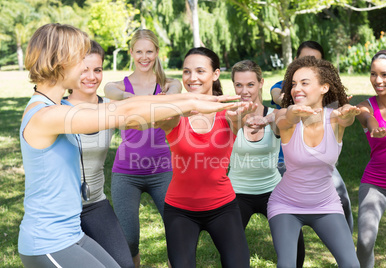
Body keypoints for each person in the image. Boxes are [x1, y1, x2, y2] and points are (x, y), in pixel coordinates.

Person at [18, 23, 241, 268]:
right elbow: (125, 110)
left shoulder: (59, 108)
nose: (85, 66)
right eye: (79, 58)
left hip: (71, 235)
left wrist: (195, 98)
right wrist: (191, 103)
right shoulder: (45, 116)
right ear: (61, 61)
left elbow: (142, 103)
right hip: (49, 242)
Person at [157, 47, 255, 268]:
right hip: (180, 209)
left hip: (223, 206)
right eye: (186, 71)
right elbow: (158, 121)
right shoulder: (175, 113)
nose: (192, 78)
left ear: (216, 74)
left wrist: (239, 118)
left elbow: (237, 122)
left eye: (200, 71)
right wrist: (164, 109)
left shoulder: (228, 111)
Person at [267, 56, 360, 267]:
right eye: (293, 84)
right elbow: (287, 116)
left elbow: (347, 119)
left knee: (351, 265)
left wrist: (348, 114)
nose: (295, 89)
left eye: (304, 83)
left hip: (326, 204)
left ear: (324, 87)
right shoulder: (285, 119)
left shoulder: (335, 118)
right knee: (286, 265)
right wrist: (292, 112)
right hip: (286, 205)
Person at [104, 29, 181, 267]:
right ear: (131, 53)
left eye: (149, 51)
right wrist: (128, 96)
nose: (144, 57)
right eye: (139, 51)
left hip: (163, 169)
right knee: (128, 240)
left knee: (177, 234)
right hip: (127, 172)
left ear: (157, 53)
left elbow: (173, 100)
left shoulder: (171, 85)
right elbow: (112, 92)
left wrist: (135, 101)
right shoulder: (116, 87)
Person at [228, 59, 306, 267]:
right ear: (233, 85)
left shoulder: (274, 115)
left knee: (296, 246)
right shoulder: (227, 117)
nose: (244, 90)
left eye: (250, 84)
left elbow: (289, 116)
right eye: (239, 85)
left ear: (261, 83)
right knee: (232, 256)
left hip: (272, 189)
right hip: (236, 191)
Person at [64, 40, 134, 268]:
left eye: (97, 69)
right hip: (62, 208)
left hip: (95, 204)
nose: (91, 77)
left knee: (124, 264)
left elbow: (146, 107)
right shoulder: (54, 109)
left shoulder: (110, 106)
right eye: (84, 70)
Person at [355, 50, 386, 268]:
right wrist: (374, 128)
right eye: (373, 74)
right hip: (376, 182)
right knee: (364, 241)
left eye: (384, 74)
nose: (378, 80)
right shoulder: (365, 105)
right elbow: (367, 118)